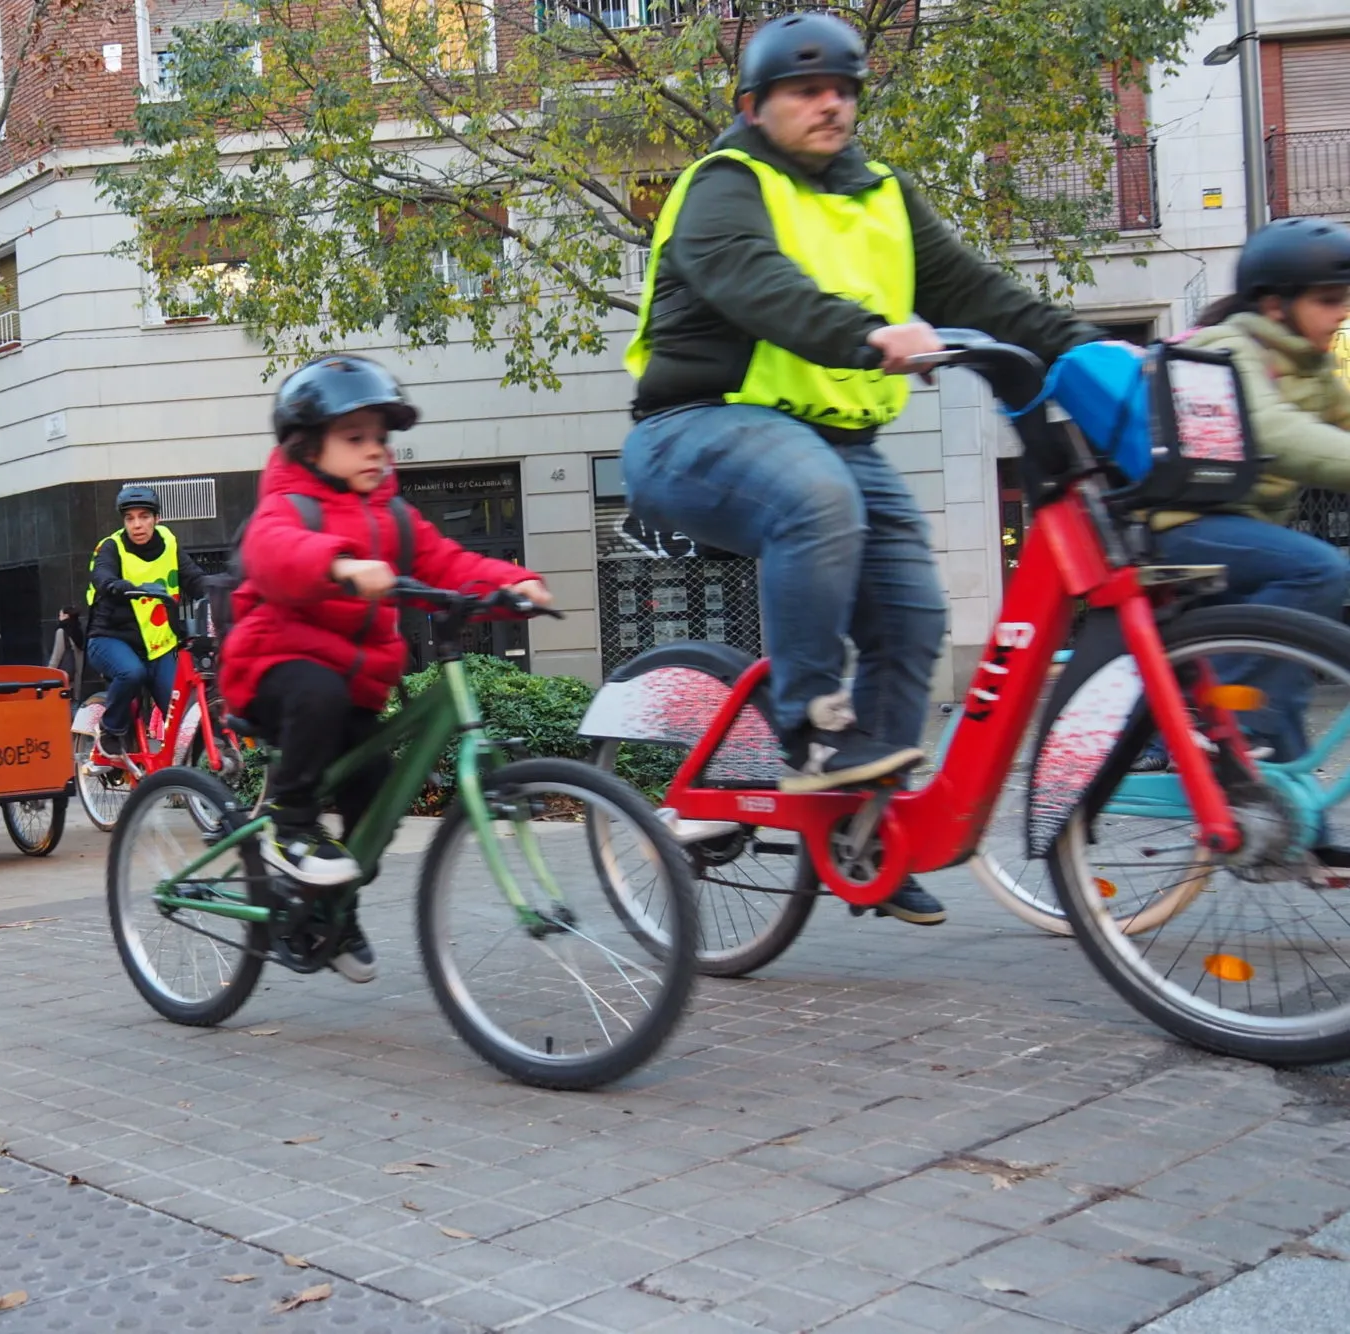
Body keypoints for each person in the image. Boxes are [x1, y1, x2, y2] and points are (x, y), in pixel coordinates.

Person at [620, 12, 1101, 925]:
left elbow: (977, 290)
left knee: (916, 616)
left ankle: (862, 826)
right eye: (806, 90)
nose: (831, 103)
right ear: (755, 105)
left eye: (844, 88)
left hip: (840, 441)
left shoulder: (884, 193)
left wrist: (1089, 351)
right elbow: (755, 281)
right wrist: (868, 333)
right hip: (696, 429)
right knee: (815, 496)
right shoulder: (722, 185)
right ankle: (806, 730)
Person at [220, 354, 552, 982]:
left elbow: (448, 562)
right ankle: (288, 826)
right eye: (355, 438)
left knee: (375, 797)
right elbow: (273, 552)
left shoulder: (394, 516)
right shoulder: (288, 506)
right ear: (310, 448)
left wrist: (518, 582)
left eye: (381, 438)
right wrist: (340, 565)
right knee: (315, 693)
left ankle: (330, 913)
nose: (375, 450)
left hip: (355, 685)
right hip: (275, 666)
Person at [1152, 218, 1350, 763]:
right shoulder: (1227, 347)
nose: (1342, 313)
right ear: (1273, 304)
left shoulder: (1313, 369)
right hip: (1184, 532)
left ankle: (1297, 842)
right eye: (1329, 300)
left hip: (1245, 541)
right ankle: (1212, 719)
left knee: (1280, 687)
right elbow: (1275, 432)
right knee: (1318, 570)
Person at [87, 485, 206, 755]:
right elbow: (102, 574)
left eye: (144, 517)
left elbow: (194, 579)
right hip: (110, 638)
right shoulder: (111, 547)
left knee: (183, 715)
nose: (137, 525)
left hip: (158, 646)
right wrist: (114, 585)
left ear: (157, 518)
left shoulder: (169, 542)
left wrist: (219, 590)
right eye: (130, 518)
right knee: (131, 672)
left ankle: (187, 781)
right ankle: (111, 729)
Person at [48, 606, 86, 685]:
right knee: (75, 695)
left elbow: (57, 655)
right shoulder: (79, 630)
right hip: (77, 673)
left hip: (65, 674)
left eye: (60, 615)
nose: (59, 618)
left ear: (66, 616)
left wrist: (49, 671)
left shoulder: (62, 631)